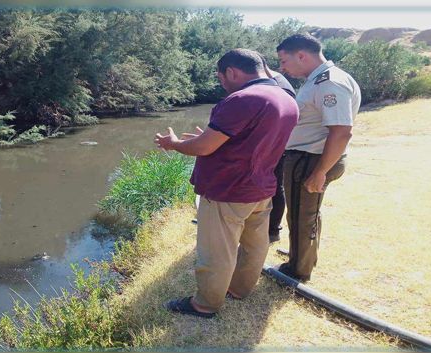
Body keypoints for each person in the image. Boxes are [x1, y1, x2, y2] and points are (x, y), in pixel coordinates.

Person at [154, 48, 298, 318]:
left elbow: (204, 147)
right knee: (255, 245)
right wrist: (209, 139)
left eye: (221, 78)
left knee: (216, 251)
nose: (223, 85)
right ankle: (239, 289)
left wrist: (174, 144)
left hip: (228, 190)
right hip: (261, 187)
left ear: (231, 72)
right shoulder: (286, 98)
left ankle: (205, 304)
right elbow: (253, 142)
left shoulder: (242, 99)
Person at [275, 34, 361, 282]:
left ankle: (298, 270)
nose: (282, 68)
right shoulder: (319, 80)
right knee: (305, 212)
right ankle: (302, 256)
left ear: (301, 55)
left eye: (283, 61)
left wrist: (320, 171)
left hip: (310, 160)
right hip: (309, 158)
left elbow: (341, 130)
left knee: (303, 215)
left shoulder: (329, 83)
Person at [262, 59, 296, 243]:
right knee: (275, 186)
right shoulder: (278, 80)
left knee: (275, 188)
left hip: (277, 145)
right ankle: (271, 230)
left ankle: (272, 230)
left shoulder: (279, 86)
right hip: (277, 143)